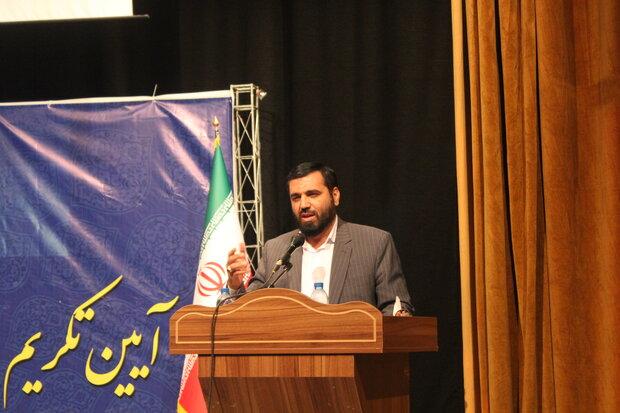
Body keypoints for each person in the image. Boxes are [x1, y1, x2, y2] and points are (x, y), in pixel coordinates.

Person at [226, 162, 413, 316]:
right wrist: (235, 285)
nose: (304, 204)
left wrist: (399, 315)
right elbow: (249, 311)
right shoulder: (276, 249)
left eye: (312, 194)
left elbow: (395, 307)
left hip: (352, 349)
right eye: (296, 197)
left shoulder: (374, 243)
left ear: (335, 196)